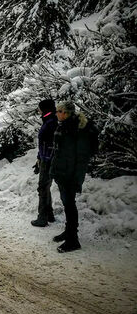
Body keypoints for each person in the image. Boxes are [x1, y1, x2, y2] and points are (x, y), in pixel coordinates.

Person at [49, 101, 99, 253]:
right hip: (62, 173)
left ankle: (73, 240)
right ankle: (68, 232)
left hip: (70, 175)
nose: (56, 113)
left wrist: (77, 179)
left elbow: (82, 157)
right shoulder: (64, 125)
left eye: (59, 111)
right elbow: (59, 151)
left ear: (66, 113)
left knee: (70, 205)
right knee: (67, 203)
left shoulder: (78, 129)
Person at [31, 99, 57, 227]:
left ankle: (42, 218)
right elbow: (43, 144)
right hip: (44, 159)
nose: (38, 110)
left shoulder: (51, 122)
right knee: (45, 187)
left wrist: (45, 158)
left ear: (45, 109)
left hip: (48, 160)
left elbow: (51, 144)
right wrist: (38, 158)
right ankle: (49, 214)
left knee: (43, 187)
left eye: (40, 108)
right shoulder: (48, 120)